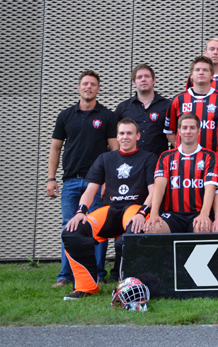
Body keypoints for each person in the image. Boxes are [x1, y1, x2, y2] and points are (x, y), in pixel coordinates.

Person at [60, 119, 156, 300]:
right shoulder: (105, 158)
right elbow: (90, 191)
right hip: (111, 211)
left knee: (130, 236)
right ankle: (86, 286)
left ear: (138, 136)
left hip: (135, 210)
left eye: (129, 133)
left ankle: (129, 287)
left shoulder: (148, 158)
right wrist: (80, 212)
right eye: (122, 133)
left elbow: (154, 192)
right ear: (117, 137)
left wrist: (142, 213)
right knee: (72, 232)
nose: (125, 137)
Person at [47, 70, 118, 289]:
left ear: (98, 89)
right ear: (79, 87)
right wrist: (51, 178)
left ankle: (97, 273)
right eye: (85, 84)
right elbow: (55, 148)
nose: (88, 87)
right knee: (68, 227)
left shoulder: (107, 116)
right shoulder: (65, 115)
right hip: (70, 181)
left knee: (96, 227)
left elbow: (114, 150)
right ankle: (65, 275)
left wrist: (108, 181)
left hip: (96, 183)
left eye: (93, 84)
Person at [145, 113, 218, 234]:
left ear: (199, 131)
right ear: (179, 131)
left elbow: (210, 188)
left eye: (192, 128)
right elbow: (159, 188)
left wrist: (204, 214)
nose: (188, 131)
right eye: (184, 128)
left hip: (198, 213)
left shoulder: (209, 156)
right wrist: (154, 213)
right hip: (173, 215)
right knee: (152, 229)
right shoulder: (166, 156)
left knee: (203, 228)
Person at [165, 55, 218, 154]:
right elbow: (170, 133)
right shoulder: (178, 100)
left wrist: (217, 154)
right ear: (191, 75)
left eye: (205, 70)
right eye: (197, 70)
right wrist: (182, 151)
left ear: (212, 75)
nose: (201, 72)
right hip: (184, 160)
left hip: (214, 161)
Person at [115, 64, 170, 157]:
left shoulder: (167, 105)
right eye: (139, 77)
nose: (143, 79)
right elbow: (115, 136)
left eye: (147, 76)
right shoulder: (123, 107)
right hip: (130, 161)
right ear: (134, 83)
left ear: (154, 80)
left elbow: (174, 134)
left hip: (158, 160)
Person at [185, 38, 218, 108]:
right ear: (205, 53)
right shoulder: (196, 76)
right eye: (212, 49)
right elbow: (188, 97)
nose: (215, 52)